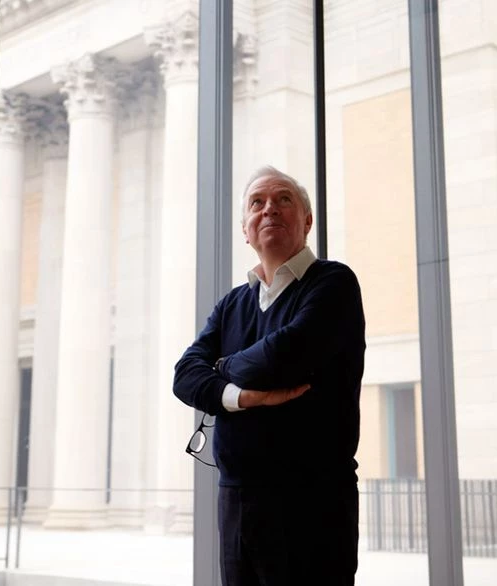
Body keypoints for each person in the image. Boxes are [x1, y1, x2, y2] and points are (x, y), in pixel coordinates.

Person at [173, 165, 366, 586]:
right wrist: (244, 397)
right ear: (245, 230)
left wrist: (220, 367)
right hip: (237, 501)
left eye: (283, 200)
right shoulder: (231, 304)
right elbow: (184, 376)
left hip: (313, 502)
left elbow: (284, 355)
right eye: (257, 203)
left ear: (307, 221)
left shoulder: (333, 283)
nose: (269, 209)